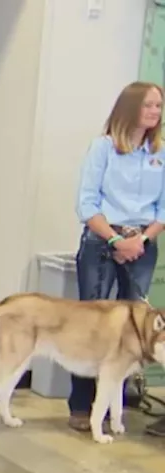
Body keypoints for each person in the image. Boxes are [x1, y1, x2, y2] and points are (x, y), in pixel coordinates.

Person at [70, 81, 165, 436]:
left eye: (159, 106)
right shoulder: (104, 148)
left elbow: (163, 207)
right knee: (91, 323)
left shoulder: (160, 152)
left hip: (141, 242)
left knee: (135, 328)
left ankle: (115, 407)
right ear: (129, 109)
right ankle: (81, 405)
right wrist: (114, 239)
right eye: (149, 106)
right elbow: (86, 203)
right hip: (102, 239)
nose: (155, 113)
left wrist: (141, 239)